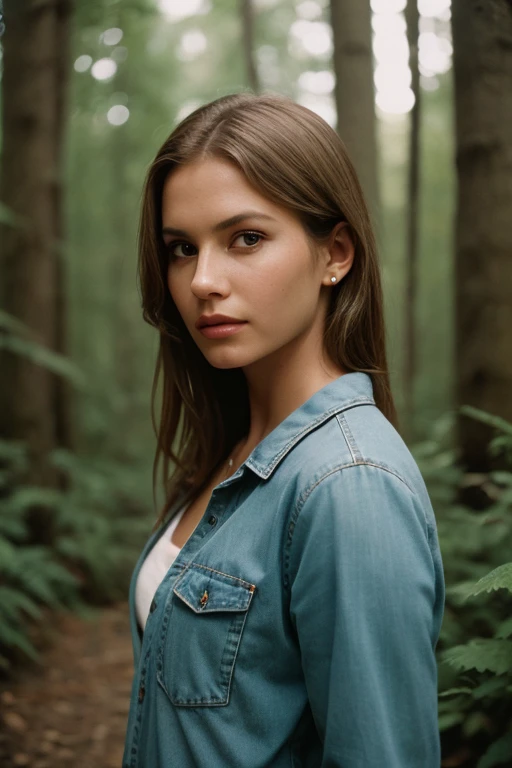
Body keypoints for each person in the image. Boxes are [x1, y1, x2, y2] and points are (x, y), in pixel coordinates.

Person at [122, 92, 445, 768]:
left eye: (245, 238)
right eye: (182, 249)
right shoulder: (236, 451)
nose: (203, 281)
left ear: (336, 253)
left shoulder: (349, 486)